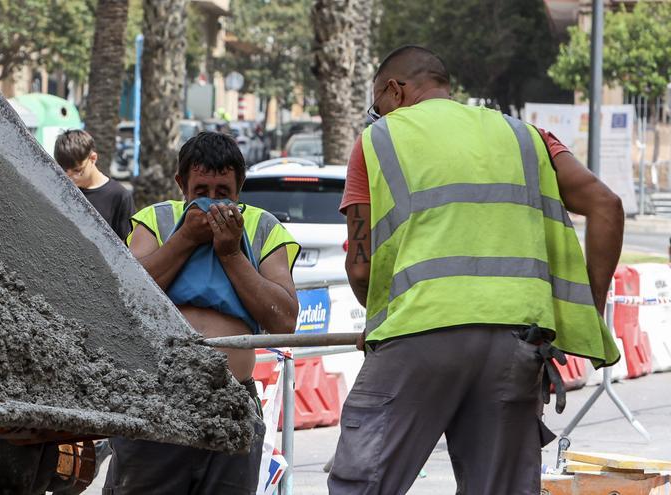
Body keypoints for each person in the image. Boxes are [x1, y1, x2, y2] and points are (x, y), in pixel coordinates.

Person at [329, 45, 623, 495]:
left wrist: (379, 323)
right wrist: (590, 306)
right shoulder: (527, 136)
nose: (379, 114)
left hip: (421, 332)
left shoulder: (379, 139)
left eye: (377, 104)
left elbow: (361, 268)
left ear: (394, 90)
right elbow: (607, 205)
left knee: (363, 482)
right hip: (519, 341)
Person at [103, 131, 300, 494]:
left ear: (239, 189)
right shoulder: (156, 221)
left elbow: (283, 319)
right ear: (182, 184)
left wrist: (231, 254)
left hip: (232, 402)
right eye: (201, 191)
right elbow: (124, 297)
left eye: (222, 193)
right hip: (157, 400)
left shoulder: (262, 227)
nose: (212, 202)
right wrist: (186, 239)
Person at [54, 129, 134, 239]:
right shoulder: (59, 190)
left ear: (92, 158)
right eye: (64, 171)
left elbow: (127, 246)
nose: (70, 177)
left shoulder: (119, 196)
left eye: (77, 171)